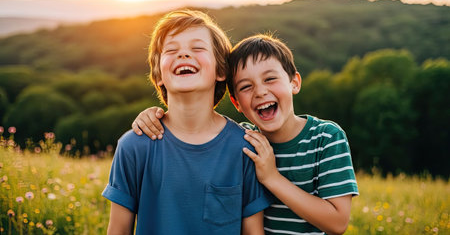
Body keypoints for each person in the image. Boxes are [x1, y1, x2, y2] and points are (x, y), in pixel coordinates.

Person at [132, 34, 359, 234]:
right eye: (245, 87)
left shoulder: (326, 137)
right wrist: (154, 114)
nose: (260, 91)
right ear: (236, 102)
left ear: (294, 82)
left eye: (270, 79)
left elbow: (337, 223)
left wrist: (272, 178)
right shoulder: (242, 139)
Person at [102, 10, 270, 235]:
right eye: (171, 50)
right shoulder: (134, 146)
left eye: (197, 48)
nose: (183, 55)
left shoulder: (245, 148)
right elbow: (118, 230)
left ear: (221, 70)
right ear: (158, 74)